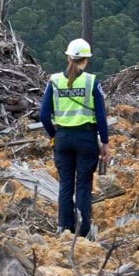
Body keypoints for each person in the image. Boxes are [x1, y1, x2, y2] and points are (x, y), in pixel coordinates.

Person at [39, 37, 109, 238]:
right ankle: (83, 229)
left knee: (66, 185)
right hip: (86, 138)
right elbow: (102, 116)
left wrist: (54, 136)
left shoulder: (54, 81)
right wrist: (104, 142)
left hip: (62, 138)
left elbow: (44, 115)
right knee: (84, 185)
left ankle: (64, 227)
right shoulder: (91, 81)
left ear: (68, 57)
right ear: (85, 60)